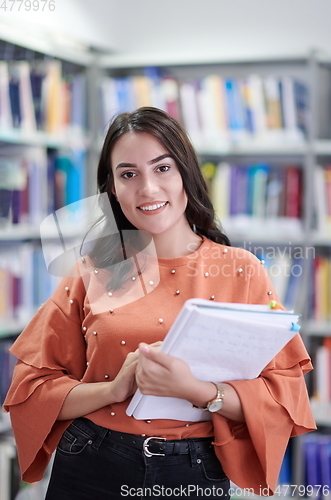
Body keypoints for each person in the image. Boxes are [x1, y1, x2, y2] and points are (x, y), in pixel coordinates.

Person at [4, 107, 315, 500]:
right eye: (128, 174)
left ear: (185, 172)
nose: (147, 188)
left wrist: (198, 389)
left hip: (196, 471)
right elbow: (31, 390)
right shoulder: (90, 271)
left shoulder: (242, 270)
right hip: (91, 462)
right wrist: (113, 390)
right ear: (112, 189)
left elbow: (281, 398)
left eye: (162, 168)